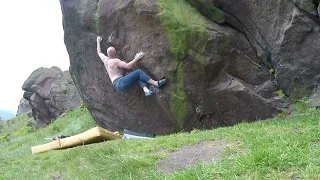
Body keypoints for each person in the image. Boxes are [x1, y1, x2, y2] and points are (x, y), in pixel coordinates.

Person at [96, 36, 167, 96]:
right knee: (138, 72)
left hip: (117, 86)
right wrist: (137, 58)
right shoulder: (115, 61)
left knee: (136, 75)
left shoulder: (105, 60)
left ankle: (146, 91)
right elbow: (128, 66)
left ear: (107, 54)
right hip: (120, 82)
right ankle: (156, 83)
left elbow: (99, 52)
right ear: (115, 54)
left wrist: (98, 41)